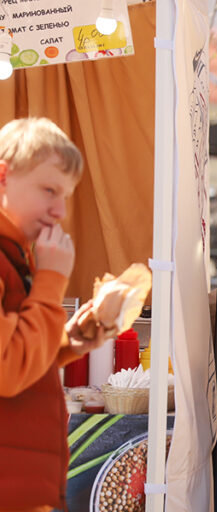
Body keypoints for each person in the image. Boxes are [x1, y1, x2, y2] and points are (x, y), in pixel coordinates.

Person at [0, 117, 109, 511]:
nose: (60, 211)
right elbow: (9, 369)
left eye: (65, 195)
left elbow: (17, 350)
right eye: (49, 190)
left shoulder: (15, 254)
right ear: (2, 178)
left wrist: (66, 342)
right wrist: (49, 281)